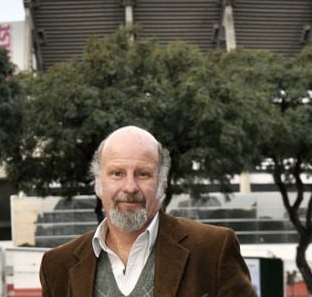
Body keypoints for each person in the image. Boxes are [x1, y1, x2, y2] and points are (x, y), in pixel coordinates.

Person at [39, 125, 257, 296]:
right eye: (117, 173)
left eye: (143, 174)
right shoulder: (58, 265)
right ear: (98, 182)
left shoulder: (212, 250)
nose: (130, 187)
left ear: (161, 183)